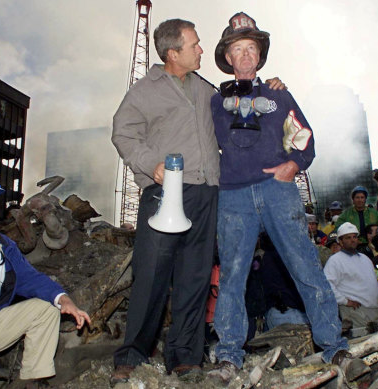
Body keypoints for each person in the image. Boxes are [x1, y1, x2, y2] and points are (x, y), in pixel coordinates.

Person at [110, 18, 286, 384]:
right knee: (152, 275)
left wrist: (272, 89)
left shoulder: (207, 91)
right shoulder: (144, 91)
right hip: (165, 193)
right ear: (173, 53)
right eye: (195, 45)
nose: (202, 50)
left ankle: (185, 356)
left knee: (195, 277)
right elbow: (122, 131)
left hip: (208, 193)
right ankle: (132, 354)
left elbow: (242, 106)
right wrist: (149, 165)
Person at [207, 12, 367, 384]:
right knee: (232, 276)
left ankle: (336, 348)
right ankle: (228, 356)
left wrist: (294, 164)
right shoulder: (215, 102)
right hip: (233, 196)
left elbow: (304, 136)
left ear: (259, 56)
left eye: (251, 49)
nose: (245, 56)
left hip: (277, 191)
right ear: (228, 58)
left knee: (306, 267)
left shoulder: (277, 94)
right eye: (237, 49)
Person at [0, 166, 91, 387]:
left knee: (45, 309)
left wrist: (63, 299)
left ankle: (29, 382)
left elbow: (29, 278)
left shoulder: (4, 245)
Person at [323, 223, 378, 328]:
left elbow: (372, 280)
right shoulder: (335, 261)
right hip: (355, 312)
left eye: (355, 237)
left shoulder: (365, 259)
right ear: (340, 241)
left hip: (375, 310)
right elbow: (327, 285)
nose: (353, 240)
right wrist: (345, 301)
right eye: (348, 238)